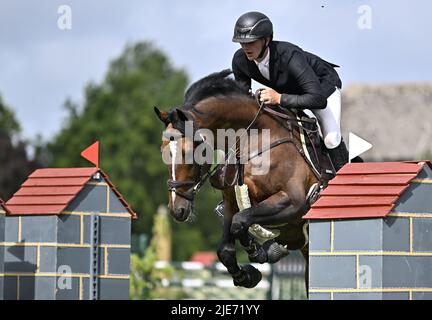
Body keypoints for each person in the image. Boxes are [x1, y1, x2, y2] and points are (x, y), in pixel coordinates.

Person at [231, 11, 350, 171]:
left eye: (251, 42)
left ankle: (347, 180)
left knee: (331, 139)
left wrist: (279, 99)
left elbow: (318, 100)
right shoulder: (240, 61)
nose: (246, 48)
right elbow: (243, 99)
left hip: (322, 88)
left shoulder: (289, 55)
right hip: (289, 91)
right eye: (242, 43)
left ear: (266, 40)